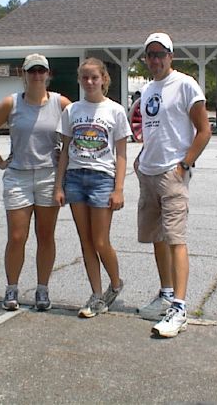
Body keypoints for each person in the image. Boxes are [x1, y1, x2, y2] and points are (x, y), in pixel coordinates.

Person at [0, 53, 71, 312]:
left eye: (42, 71)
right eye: (32, 71)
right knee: (17, 236)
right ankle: (12, 287)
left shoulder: (60, 103)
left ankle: (43, 289)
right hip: (18, 175)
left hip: (48, 176)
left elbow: (79, 131)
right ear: (24, 74)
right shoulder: (12, 103)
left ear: (48, 74)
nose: (37, 76)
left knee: (45, 235)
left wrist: (66, 166)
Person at [135, 32, 211, 338]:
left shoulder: (185, 84)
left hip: (172, 173)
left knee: (176, 239)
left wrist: (185, 163)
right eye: (150, 55)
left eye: (160, 54)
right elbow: (149, 129)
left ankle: (179, 308)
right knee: (157, 237)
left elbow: (203, 130)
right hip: (148, 172)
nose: (155, 59)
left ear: (171, 55)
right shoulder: (147, 89)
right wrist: (141, 160)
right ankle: (166, 293)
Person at [54, 58, 131, 318]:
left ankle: (116, 283)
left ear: (103, 79)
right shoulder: (72, 111)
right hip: (75, 178)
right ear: (80, 80)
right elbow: (64, 150)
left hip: (102, 179)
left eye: (94, 77)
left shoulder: (115, 111)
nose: (89, 82)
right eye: (85, 78)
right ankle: (96, 295)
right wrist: (59, 185)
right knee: (85, 241)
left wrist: (118, 188)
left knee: (100, 240)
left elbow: (121, 153)